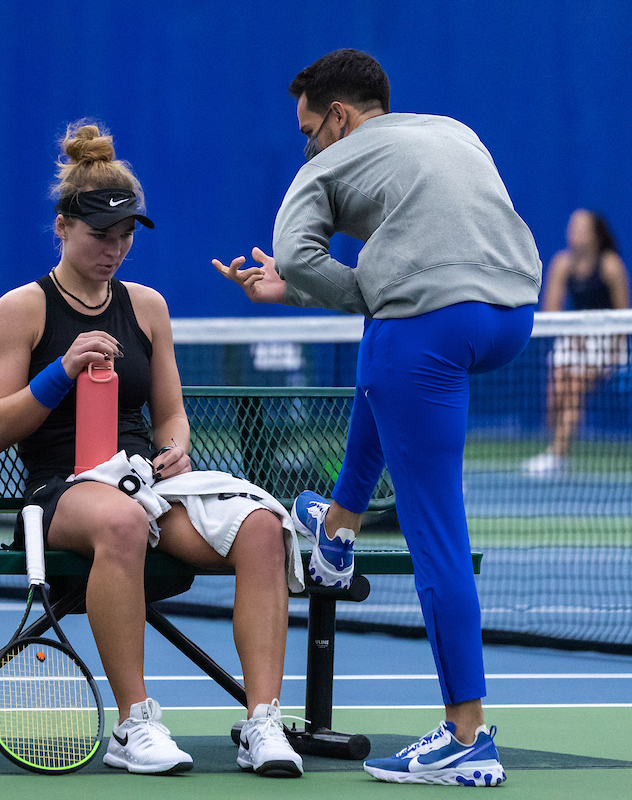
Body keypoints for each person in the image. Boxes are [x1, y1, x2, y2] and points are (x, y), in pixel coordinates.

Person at [213, 49, 541, 786]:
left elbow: (299, 258)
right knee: (382, 338)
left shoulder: (321, 171)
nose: (306, 145)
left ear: (338, 117)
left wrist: (309, 288)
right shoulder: (454, 131)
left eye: (308, 129)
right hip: (513, 316)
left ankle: (466, 734)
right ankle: (337, 528)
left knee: (438, 540)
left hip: (426, 333)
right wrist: (367, 296)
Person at [0, 120, 304, 777]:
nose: (115, 248)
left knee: (266, 528)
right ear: (63, 226)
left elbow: (172, 413)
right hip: (60, 493)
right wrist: (59, 371)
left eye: (126, 234)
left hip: (144, 484)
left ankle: (263, 722)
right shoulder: (22, 309)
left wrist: (176, 449)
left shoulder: (148, 307)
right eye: (102, 234)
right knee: (122, 522)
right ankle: (135, 724)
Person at [523, 209, 630, 476]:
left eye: (583, 228)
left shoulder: (610, 266)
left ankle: (557, 454)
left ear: (595, 235)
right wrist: (572, 335)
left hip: (607, 344)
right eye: (573, 227)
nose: (576, 233)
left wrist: (607, 348)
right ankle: (557, 448)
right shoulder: (563, 263)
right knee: (557, 388)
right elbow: (551, 313)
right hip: (573, 340)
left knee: (575, 386)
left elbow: (622, 318)